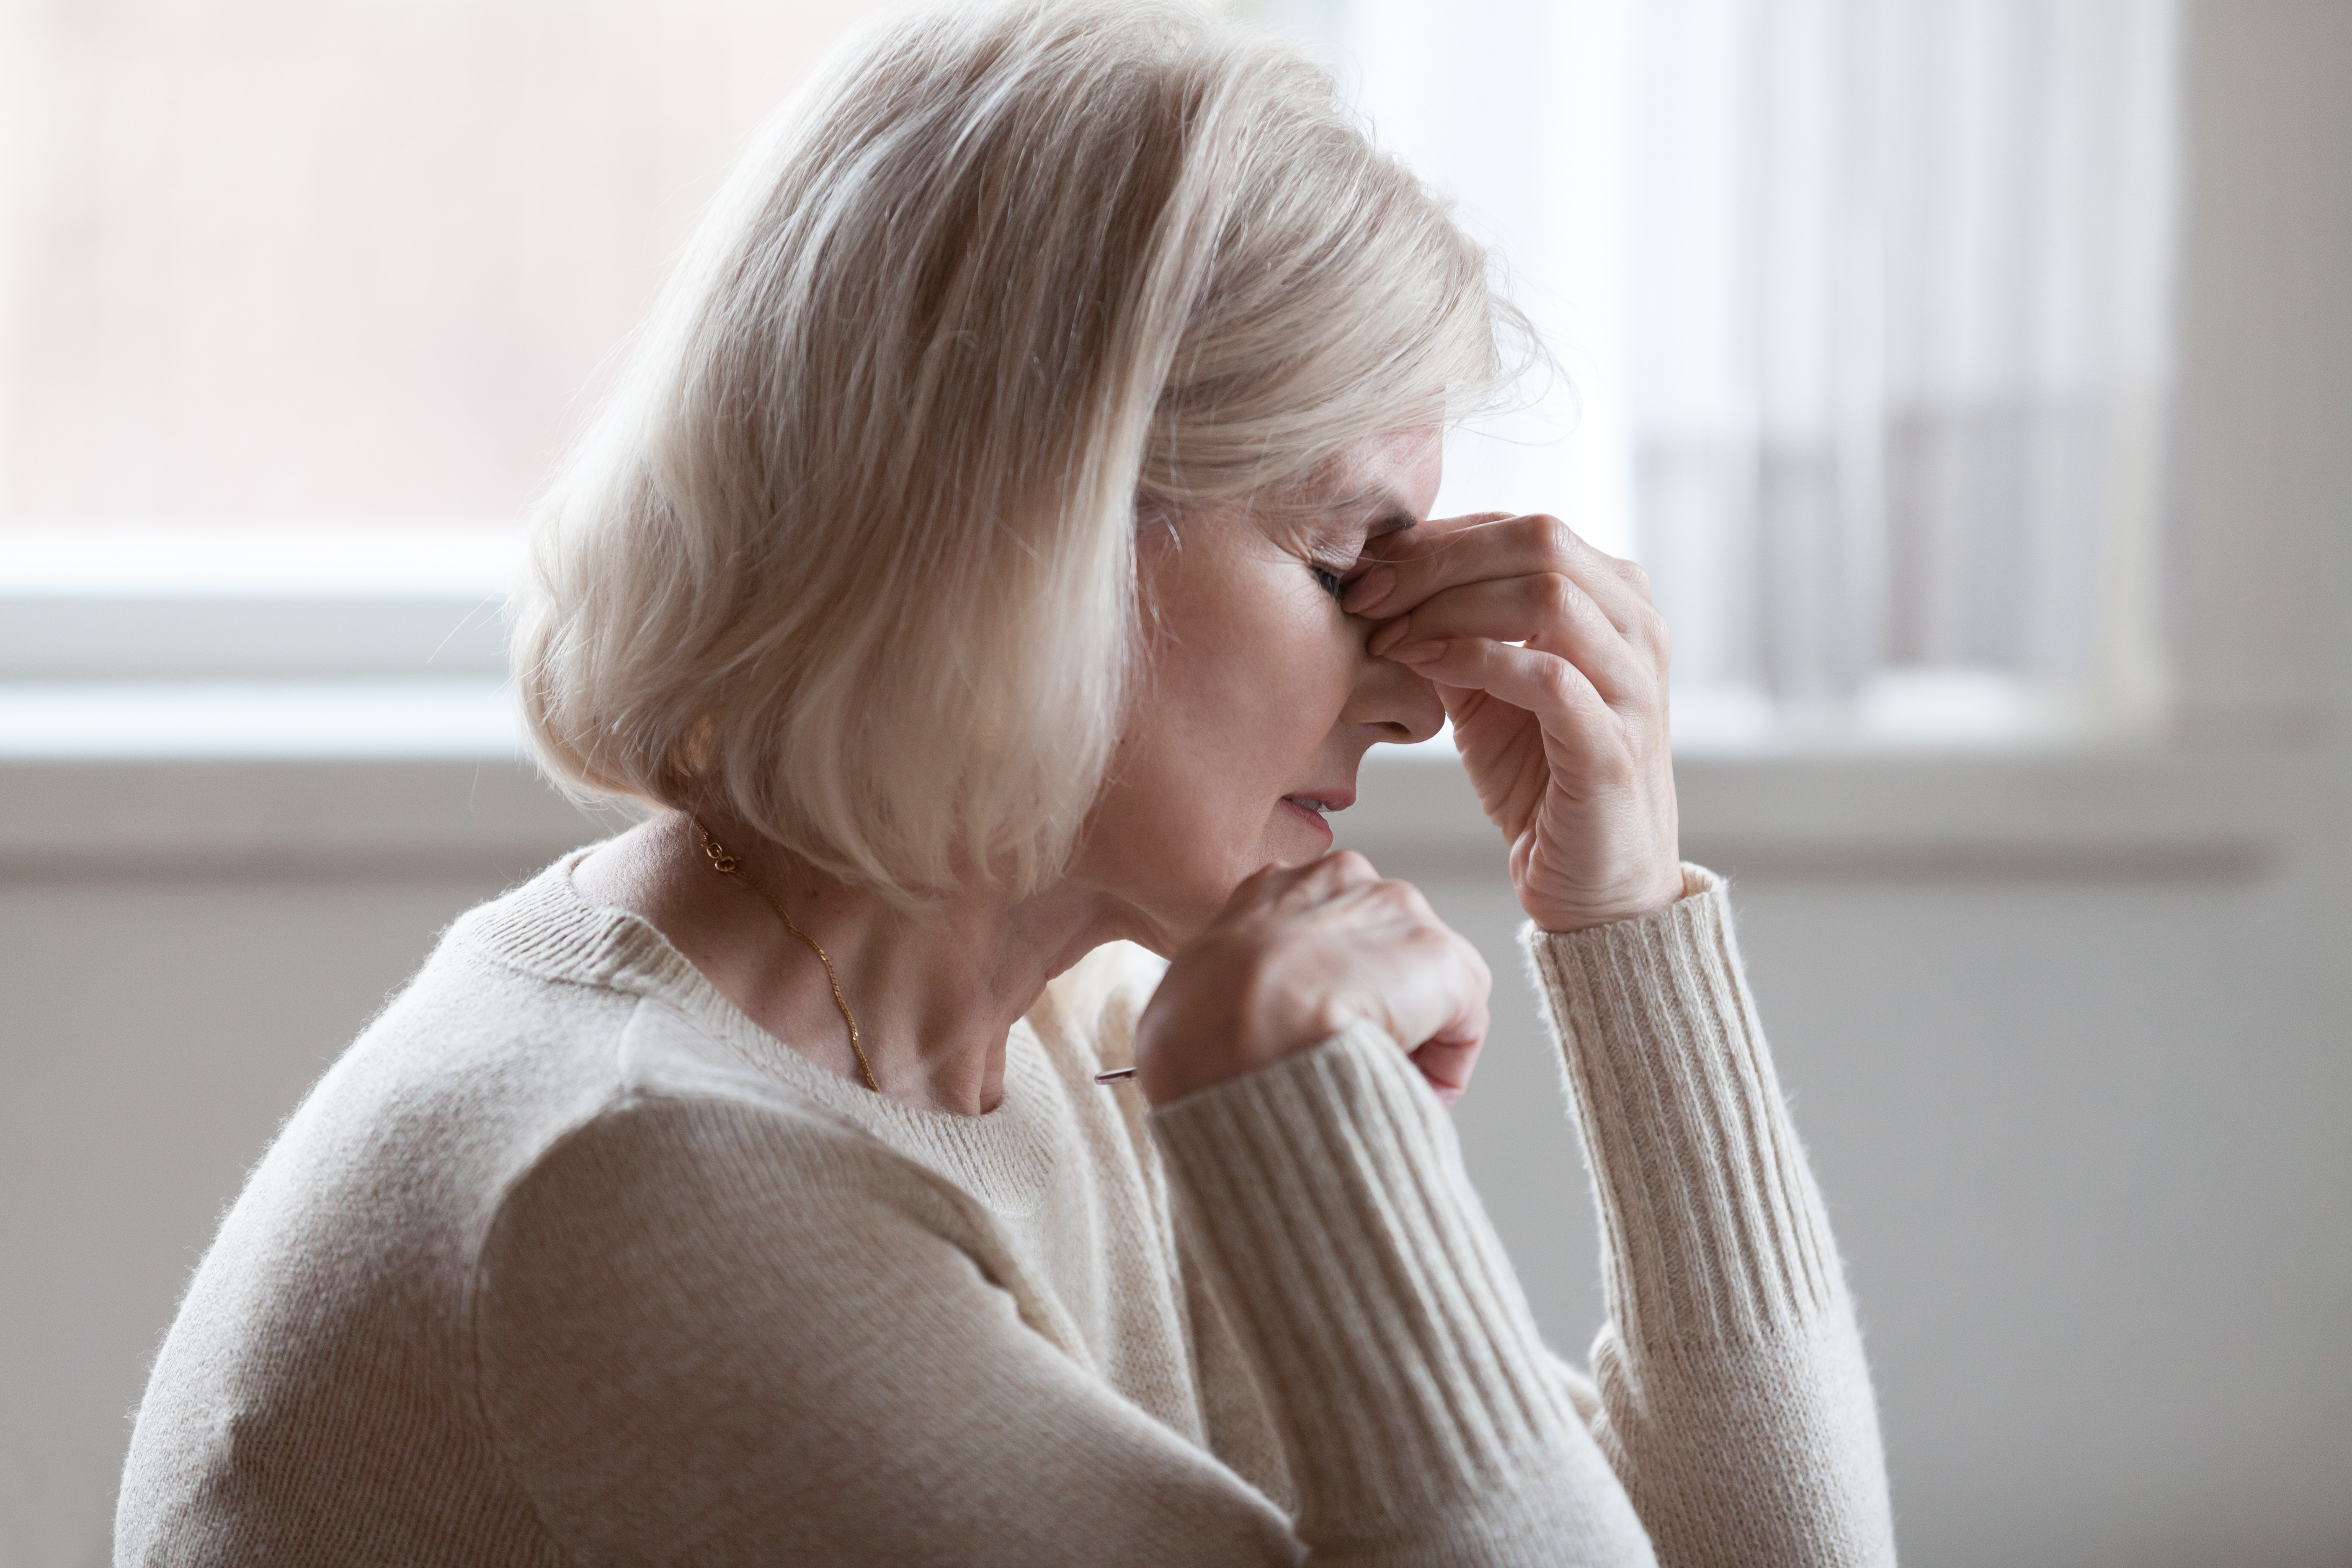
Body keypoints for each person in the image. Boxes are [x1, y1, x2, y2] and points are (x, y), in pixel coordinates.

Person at [116, 2, 1896, 1562]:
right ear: (1033, 536)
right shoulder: (641, 1192)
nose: (1420, 698)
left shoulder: (1081, 1025)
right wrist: (1321, 1151)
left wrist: (1625, 918)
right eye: (1351, 564)